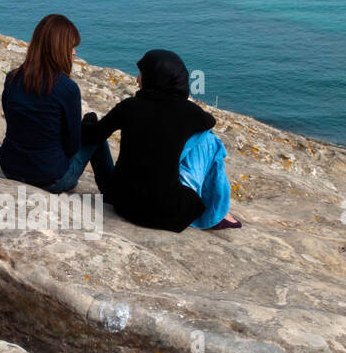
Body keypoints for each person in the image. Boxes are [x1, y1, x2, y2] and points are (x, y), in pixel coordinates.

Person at [81, 48, 241, 233]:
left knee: (100, 134)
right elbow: (210, 122)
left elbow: (92, 136)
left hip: (124, 203)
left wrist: (89, 121)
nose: (137, 79)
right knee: (209, 140)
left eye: (141, 73)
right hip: (167, 212)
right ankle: (220, 212)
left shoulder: (129, 107)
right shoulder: (189, 112)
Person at [0, 14, 113, 193]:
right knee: (96, 134)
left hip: (10, 168)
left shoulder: (12, 77)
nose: (74, 52)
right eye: (71, 47)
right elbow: (72, 145)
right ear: (58, 49)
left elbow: (12, 121)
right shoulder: (67, 88)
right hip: (49, 179)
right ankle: (112, 193)